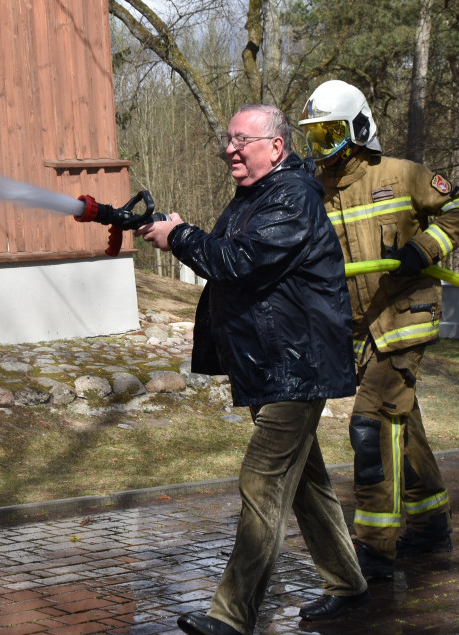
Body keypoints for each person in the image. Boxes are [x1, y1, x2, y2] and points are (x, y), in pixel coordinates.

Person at [136, 103, 369, 635]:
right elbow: (229, 255)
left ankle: (232, 615)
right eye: (228, 140)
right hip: (270, 364)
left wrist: (180, 237)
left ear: (276, 147)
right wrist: (179, 231)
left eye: (242, 141)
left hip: (297, 366)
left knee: (262, 479)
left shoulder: (291, 198)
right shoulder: (255, 197)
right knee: (304, 482)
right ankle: (348, 582)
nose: (230, 150)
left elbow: (236, 262)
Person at [298, 81, 459, 579]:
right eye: (314, 136)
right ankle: (431, 523)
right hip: (360, 330)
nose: (322, 147)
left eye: (330, 134)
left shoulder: (403, 174)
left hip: (404, 319)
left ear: (359, 129)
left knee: (370, 426)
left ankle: (375, 548)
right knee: (402, 424)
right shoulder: (315, 191)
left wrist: (425, 248)